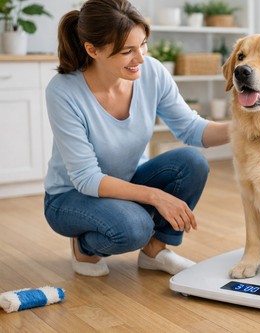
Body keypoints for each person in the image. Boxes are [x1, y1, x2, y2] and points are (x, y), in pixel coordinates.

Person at [44, 0, 230, 277]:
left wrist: (248, 127)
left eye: (143, 44)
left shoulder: (151, 72)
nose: (141, 57)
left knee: (192, 161)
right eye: (127, 51)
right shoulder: (63, 91)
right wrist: (156, 197)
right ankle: (85, 246)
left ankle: (155, 253)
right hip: (70, 197)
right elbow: (86, 178)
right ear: (92, 50)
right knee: (135, 228)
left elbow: (192, 129)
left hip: (126, 182)